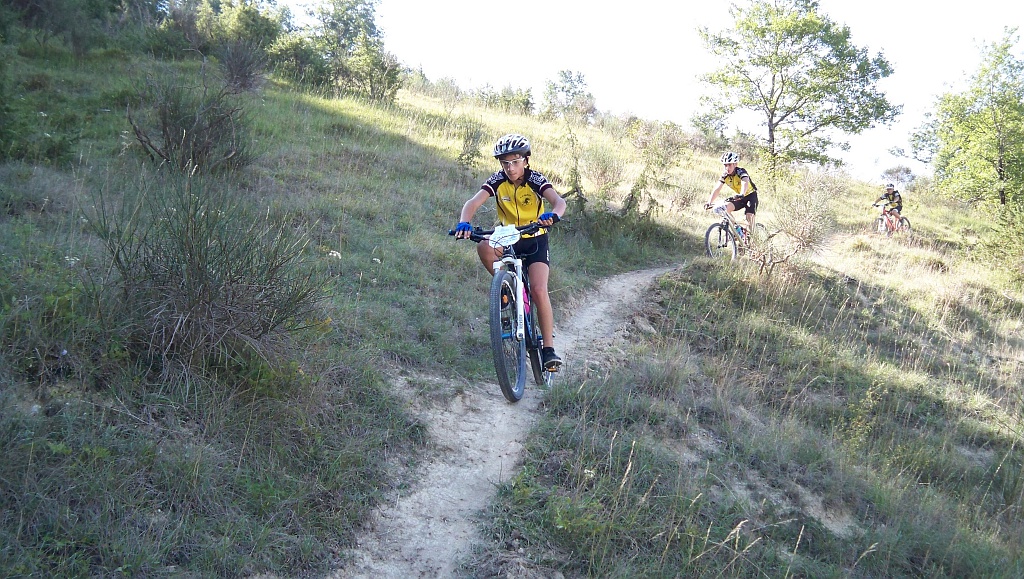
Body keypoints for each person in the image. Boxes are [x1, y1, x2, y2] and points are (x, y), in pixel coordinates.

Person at [454, 134, 567, 371]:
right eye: (505, 163)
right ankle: (505, 287)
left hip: (535, 239)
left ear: (525, 160)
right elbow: (473, 202)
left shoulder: (535, 180)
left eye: (515, 162)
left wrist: (552, 215)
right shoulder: (498, 180)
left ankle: (548, 350)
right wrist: (464, 222)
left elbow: (559, 202)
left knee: (538, 289)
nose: (510, 167)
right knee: (483, 246)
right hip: (509, 237)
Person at [704, 151, 759, 233]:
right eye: (725, 165)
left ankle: (755, 240)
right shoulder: (725, 175)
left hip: (750, 196)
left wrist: (742, 194)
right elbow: (717, 188)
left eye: (729, 165)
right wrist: (709, 202)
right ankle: (737, 230)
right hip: (739, 197)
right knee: (724, 209)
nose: (727, 167)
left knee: (749, 216)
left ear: (735, 164)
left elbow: (745, 182)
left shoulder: (741, 171)